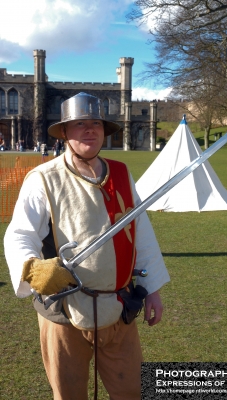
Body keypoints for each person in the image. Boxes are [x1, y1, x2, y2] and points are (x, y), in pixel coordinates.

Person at [4, 92, 170, 400]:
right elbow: (19, 234)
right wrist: (32, 267)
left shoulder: (120, 173)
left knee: (132, 391)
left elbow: (141, 233)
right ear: (65, 131)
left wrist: (153, 289)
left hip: (120, 307)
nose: (90, 130)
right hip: (65, 313)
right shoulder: (42, 178)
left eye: (96, 123)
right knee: (69, 395)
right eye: (80, 124)